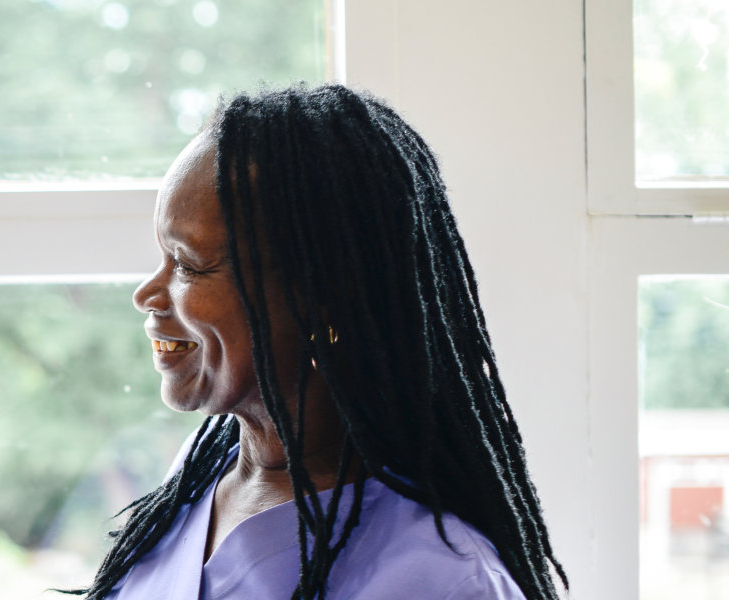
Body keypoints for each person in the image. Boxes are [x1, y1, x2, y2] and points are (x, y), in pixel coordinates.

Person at [68, 85, 567, 599]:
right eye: (162, 258)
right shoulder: (198, 479)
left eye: (190, 264)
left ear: (319, 295)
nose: (147, 293)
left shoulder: (444, 579)